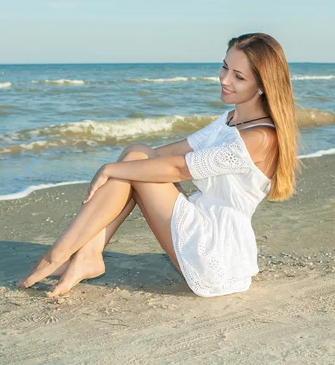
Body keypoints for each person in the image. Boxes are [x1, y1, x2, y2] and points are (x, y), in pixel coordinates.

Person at [16, 33, 300, 298]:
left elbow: (178, 169)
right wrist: (127, 163)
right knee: (137, 153)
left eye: (238, 76)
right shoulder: (229, 119)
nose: (224, 80)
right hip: (201, 226)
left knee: (133, 164)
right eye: (225, 68)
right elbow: (167, 153)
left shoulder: (261, 137)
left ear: (263, 85)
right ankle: (85, 255)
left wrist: (110, 169)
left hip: (216, 252)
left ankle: (59, 255)